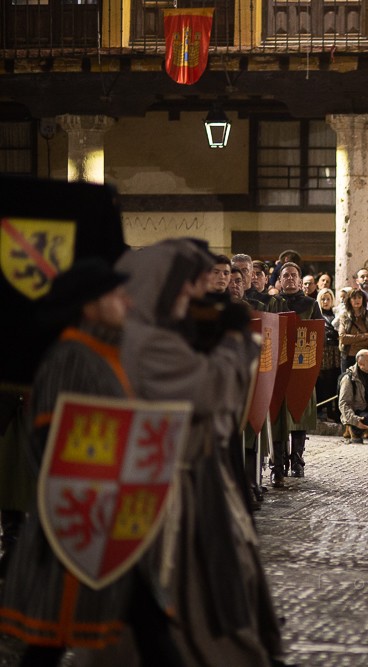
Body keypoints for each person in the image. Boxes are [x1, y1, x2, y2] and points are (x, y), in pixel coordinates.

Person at [0, 259, 186, 667]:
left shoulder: (105, 353)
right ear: (89, 306)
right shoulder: (72, 356)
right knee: (58, 641)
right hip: (80, 519)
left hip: (109, 518)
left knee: (136, 626)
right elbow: (53, 444)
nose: (125, 301)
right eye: (115, 295)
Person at [116, 240, 284, 666]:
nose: (197, 295)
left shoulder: (165, 334)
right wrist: (233, 343)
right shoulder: (150, 343)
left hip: (195, 479)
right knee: (187, 596)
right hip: (170, 489)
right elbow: (212, 395)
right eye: (189, 287)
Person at [272, 261, 323, 481]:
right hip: (278, 370)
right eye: (286, 276)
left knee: (300, 414)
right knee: (279, 418)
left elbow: (320, 333)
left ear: (300, 280)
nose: (290, 279)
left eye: (294, 275)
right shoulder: (273, 304)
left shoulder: (311, 304)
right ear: (280, 280)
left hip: (302, 368)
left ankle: (298, 459)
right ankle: (279, 462)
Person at [339, 289, 368, 372]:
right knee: (348, 382)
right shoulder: (345, 316)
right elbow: (343, 338)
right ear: (349, 300)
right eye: (354, 298)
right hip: (349, 356)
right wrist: (364, 336)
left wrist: (355, 342)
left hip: (366, 357)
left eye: (359, 297)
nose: (357, 300)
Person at [317, 287, 341, 423]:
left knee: (334, 381)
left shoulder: (336, 314)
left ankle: (334, 411)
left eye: (328, 299)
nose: (325, 302)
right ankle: (323, 410)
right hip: (323, 351)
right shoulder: (317, 314)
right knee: (323, 382)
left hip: (335, 351)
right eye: (323, 299)